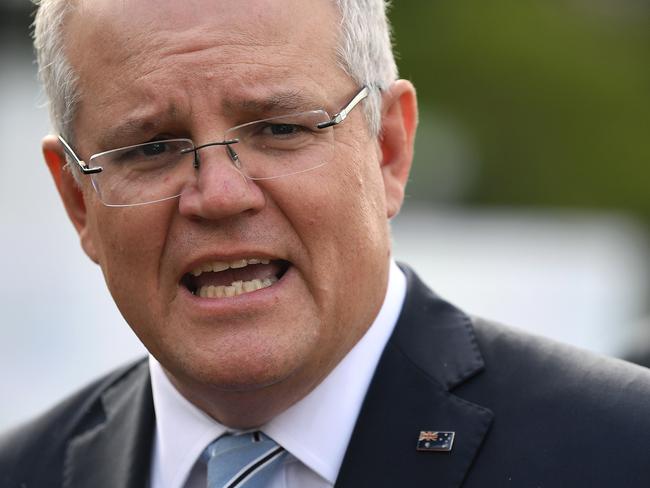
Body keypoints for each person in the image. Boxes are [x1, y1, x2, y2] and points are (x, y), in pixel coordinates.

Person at [2, 0, 650, 487]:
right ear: (79, 202)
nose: (221, 195)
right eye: (151, 148)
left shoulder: (620, 449)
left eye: (279, 128)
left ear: (389, 150)